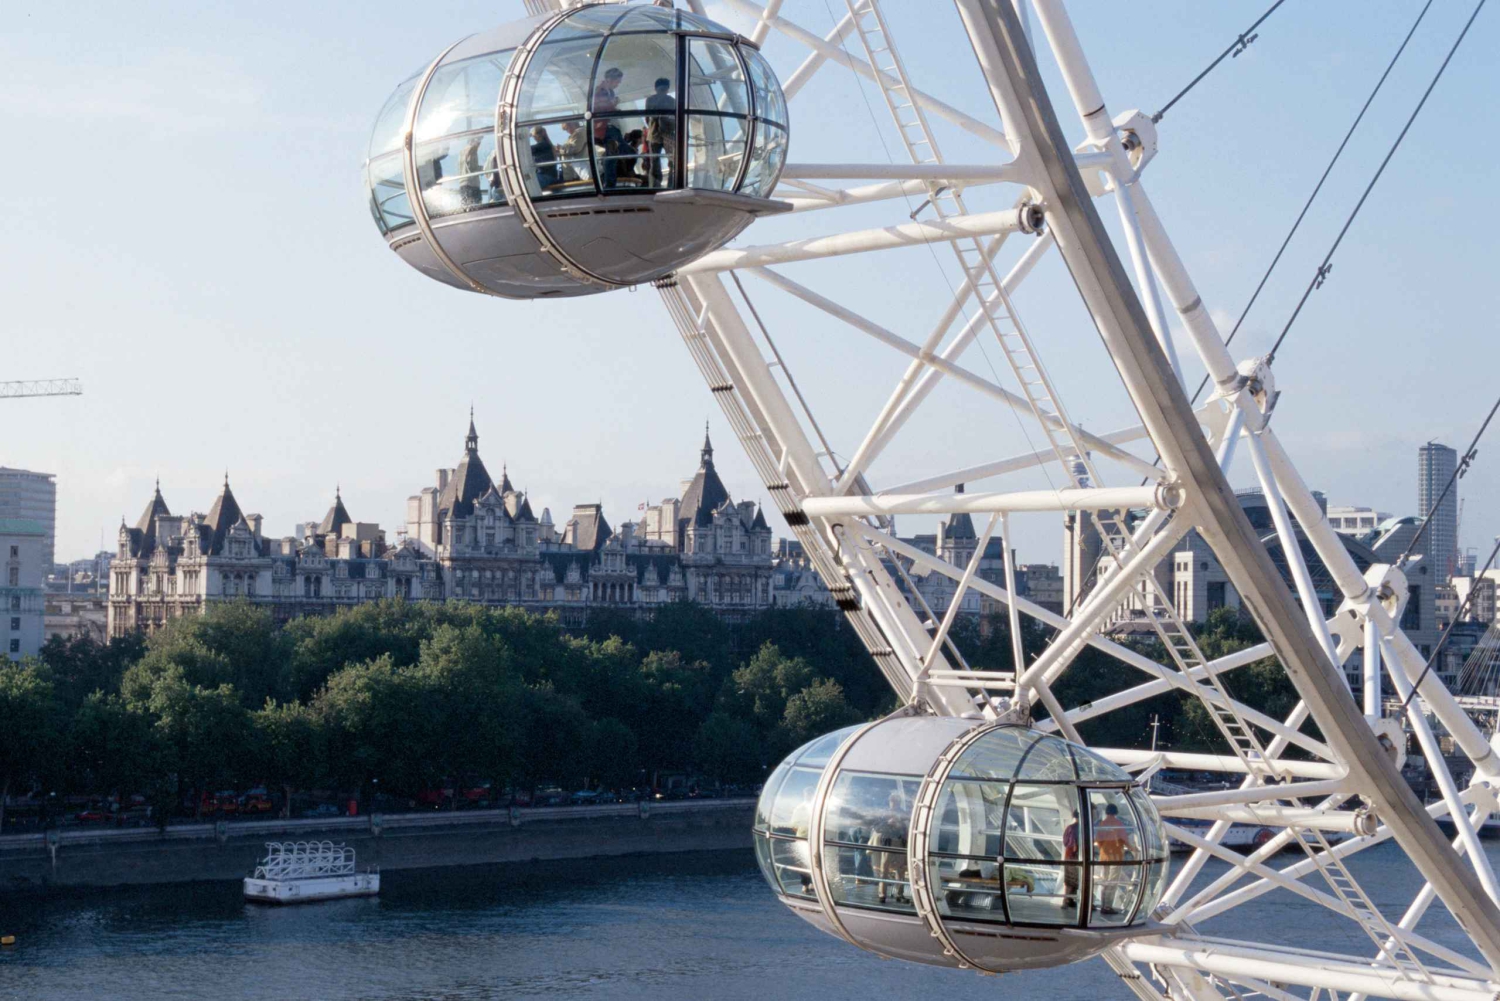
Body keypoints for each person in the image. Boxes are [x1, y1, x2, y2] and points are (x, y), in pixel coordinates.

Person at [868, 790, 909, 905]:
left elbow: (908, 826)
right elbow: (876, 827)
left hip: (900, 842)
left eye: (895, 801)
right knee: (884, 868)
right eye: (892, 801)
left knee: (900, 869)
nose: (893, 803)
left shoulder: (904, 813)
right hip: (888, 842)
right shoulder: (884, 813)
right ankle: (882, 895)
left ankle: (899, 894)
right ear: (889, 802)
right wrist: (888, 823)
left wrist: (901, 824)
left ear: (899, 802)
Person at [1093, 802, 1129, 915]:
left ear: (1106, 812)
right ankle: (1108, 907)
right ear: (1116, 812)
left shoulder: (1102, 824)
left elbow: (1098, 840)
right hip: (1116, 856)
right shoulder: (1118, 824)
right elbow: (1124, 840)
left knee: (1104, 881)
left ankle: (1103, 904)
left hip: (1104, 857)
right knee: (1112, 882)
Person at [593, 67, 624, 186]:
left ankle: (610, 182)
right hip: (605, 128)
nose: (618, 84)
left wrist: (615, 108)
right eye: (617, 81)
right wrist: (614, 104)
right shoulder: (601, 90)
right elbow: (601, 108)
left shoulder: (608, 91)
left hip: (607, 126)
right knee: (615, 152)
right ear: (610, 79)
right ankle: (609, 184)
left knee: (615, 152)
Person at [644, 77, 677, 186]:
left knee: (655, 161)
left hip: (654, 133)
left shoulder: (650, 100)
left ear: (655, 88)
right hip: (669, 134)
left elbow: (647, 118)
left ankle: (655, 184)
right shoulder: (672, 101)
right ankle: (671, 184)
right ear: (667, 88)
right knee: (672, 161)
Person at [788, 787, 814, 893]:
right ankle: (807, 883)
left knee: (807, 862)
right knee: (805, 862)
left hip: (804, 837)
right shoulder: (802, 808)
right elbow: (794, 825)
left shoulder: (800, 808)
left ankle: (808, 883)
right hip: (805, 838)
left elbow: (794, 826)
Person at [1061, 809, 1081, 910]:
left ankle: (1068, 900)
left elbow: (1065, 842)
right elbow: (1075, 845)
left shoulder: (1070, 827)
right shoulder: (1079, 828)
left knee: (1070, 879)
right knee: (1075, 879)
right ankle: (1067, 900)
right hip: (1075, 857)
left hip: (1069, 856)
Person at [458, 136, 482, 207]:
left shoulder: (462, 152)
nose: (478, 144)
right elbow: (471, 168)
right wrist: (482, 169)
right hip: (470, 184)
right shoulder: (470, 150)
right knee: (476, 207)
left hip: (465, 184)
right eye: (476, 141)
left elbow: (469, 167)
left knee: (467, 207)